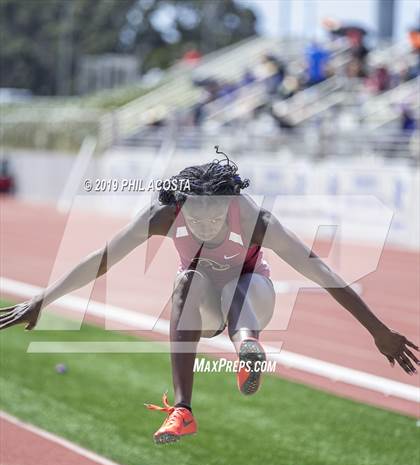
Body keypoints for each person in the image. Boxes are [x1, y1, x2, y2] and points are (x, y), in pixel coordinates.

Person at [1, 148, 418, 445]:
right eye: (195, 213)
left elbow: (319, 269)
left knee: (240, 283)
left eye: (214, 213)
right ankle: (183, 410)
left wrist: (378, 331)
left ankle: (247, 347)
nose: (204, 222)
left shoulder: (253, 218)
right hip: (201, 304)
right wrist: (43, 298)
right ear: (180, 205)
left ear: (230, 202)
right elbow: (101, 259)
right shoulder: (161, 215)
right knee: (188, 279)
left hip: (252, 296)